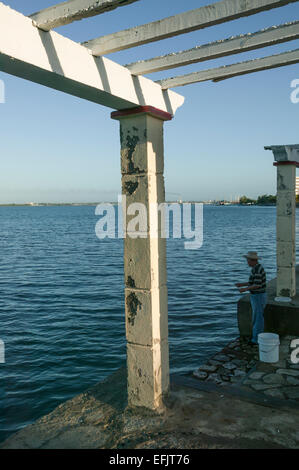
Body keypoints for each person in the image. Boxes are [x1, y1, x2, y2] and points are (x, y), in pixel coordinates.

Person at [235, 251, 267, 345]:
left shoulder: (257, 270)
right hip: (257, 296)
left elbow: (257, 285)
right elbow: (254, 282)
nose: (247, 262)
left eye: (248, 260)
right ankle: (256, 338)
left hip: (258, 296)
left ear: (253, 261)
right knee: (257, 318)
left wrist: (244, 289)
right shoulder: (256, 268)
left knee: (258, 319)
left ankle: (256, 340)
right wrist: (242, 284)